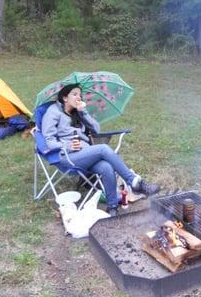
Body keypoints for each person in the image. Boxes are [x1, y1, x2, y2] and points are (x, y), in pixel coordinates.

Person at [41, 83, 160, 217]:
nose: (78, 98)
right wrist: (66, 146)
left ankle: (113, 206)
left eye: (80, 95)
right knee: (103, 149)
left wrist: (83, 112)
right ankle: (134, 182)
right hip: (67, 157)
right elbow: (48, 141)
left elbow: (96, 130)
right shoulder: (53, 112)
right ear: (64, 97)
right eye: (74, 94)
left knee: (107, 167)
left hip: (85, 154)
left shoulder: (77, 113)